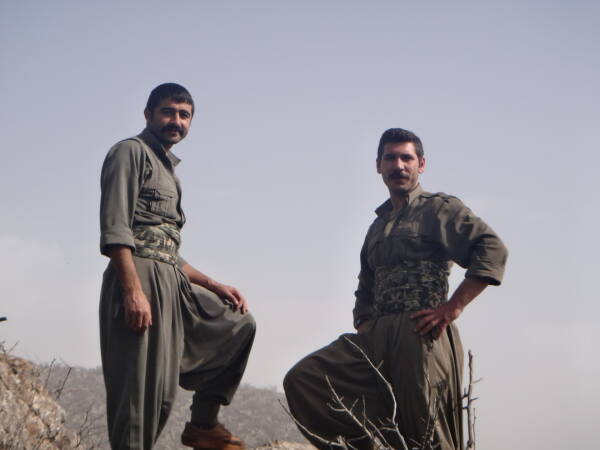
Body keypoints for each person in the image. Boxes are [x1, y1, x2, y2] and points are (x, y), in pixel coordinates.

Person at [284, 128, 508, 450]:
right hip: (376, 336)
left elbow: (492, 248)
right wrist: (365, 324)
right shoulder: (378, 225)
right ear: (379, 165)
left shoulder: (437, 208)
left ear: (421, 164)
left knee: (426, 432)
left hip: (421, 334)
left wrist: (453, 307)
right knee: (305, 379)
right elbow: (366, 284)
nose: (398, 165)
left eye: (407, 158)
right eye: (390, 158)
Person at [99, 83, 256, 450]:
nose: (176, 121)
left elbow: (165, 248)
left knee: (236, 325)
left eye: (184, 115)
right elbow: (116, 228)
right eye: (168, 112)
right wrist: (133, 291)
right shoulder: (130, 152)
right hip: (140, 278)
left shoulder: (169, 170)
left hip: (171, 281)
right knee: (139, 398)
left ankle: (203, 425)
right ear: (148, 114)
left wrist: (213, 284)